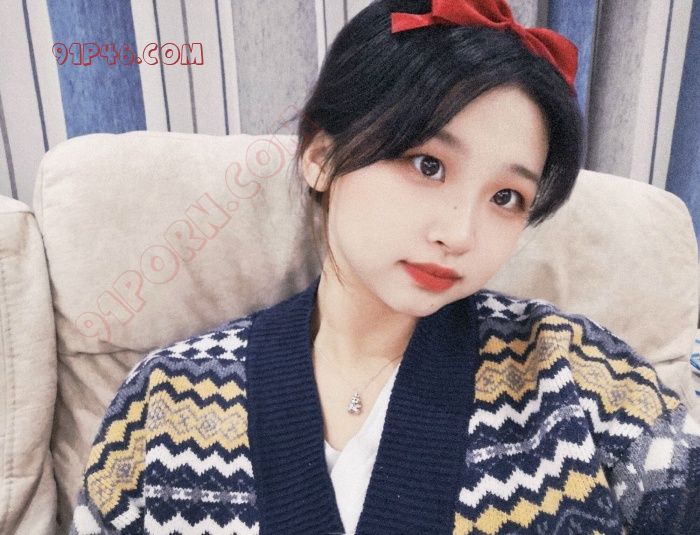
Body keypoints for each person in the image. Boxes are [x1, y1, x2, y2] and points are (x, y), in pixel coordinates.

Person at [69, 1, 700, 534]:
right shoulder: (167, 396)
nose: (460, 234)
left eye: (507, 197)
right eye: (428, 165)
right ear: (321, 156)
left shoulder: (578, 375)